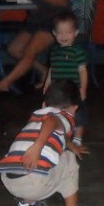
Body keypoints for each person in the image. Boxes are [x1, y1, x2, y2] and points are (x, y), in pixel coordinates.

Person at [0, 79, 93, 206]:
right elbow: (51, 121)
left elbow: (59, 132)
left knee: (34, 165)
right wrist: (37, 147)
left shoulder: (36, 116)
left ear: (44, 105)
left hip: (10, 180)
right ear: (74, 108)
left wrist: (71, 146)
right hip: (35, 184)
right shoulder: (64, 116)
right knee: (68, 161)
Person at [43, 11, 89, 142]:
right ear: (54, 33)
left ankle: (78, 139)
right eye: (60, 32)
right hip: (57, 90)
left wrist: (83, 88)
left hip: (73, 90)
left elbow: (83, 71)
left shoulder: (78, 51)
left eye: (68, 32)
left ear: (75, 33)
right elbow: (51, 69)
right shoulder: (54, 51)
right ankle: (61, 136)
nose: (64, 36)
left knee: (78, 113)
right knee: (56, 113)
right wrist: (47, 85)